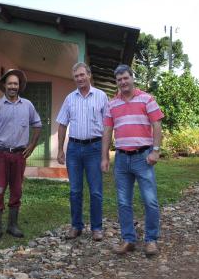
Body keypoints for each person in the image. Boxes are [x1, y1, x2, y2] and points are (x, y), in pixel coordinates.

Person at [101, 64, 164, 256]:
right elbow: (107, 131)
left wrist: (156, 151)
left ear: (132, 78)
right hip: (121, 159)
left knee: (150, 201)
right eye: (119, 80)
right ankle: (129, 240)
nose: (123, 82)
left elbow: (157, 124)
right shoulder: (112, 104)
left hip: (143, 158)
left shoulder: (147, 99)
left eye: (125, 78)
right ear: (117, 82)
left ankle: (151, 240)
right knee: (123, 202)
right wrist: (104, 157)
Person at [0, 69, 42, 241]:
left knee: (16, 190)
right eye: (10, 83)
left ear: (19, 86)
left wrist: (31, 146)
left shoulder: (28, 106)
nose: (12, 86)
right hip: (1, 155)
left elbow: (37, 125)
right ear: (4, 85)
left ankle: (12, 225)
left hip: (19, 156)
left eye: (15, 84)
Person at [56, 62, 109, 241]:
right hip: (74, 149)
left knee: (95, 191)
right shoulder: (70, 98)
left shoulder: (101, 97)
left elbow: (108, 126)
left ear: (89, 75)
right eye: (76, 76)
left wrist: (104, 153)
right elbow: (62, 124)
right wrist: (60, 150)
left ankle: (96, 228)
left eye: (82, 75)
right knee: (74, 190)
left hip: (94, 148)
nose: (79, 78)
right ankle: (76, 226)